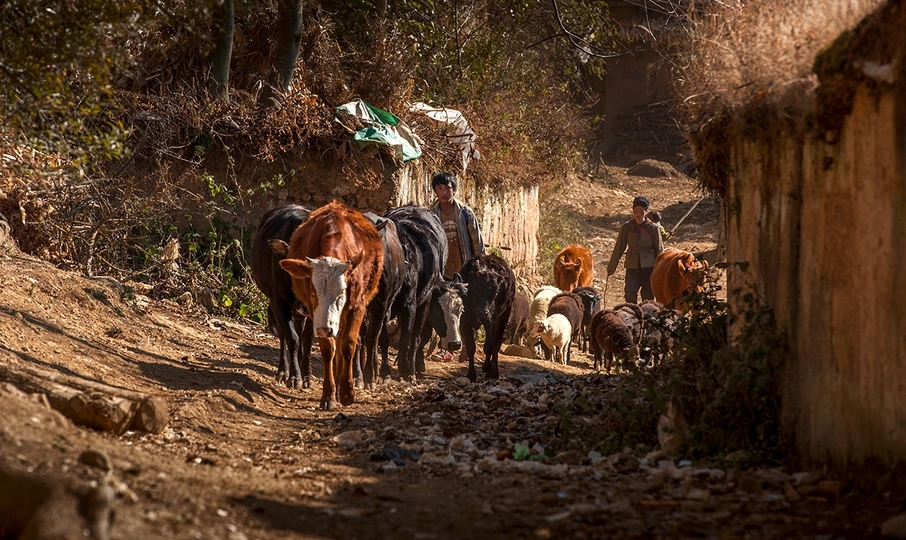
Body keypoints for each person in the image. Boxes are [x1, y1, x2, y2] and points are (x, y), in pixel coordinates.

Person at [606, 196, 664, 304]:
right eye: (636, 211)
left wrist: (660, 269)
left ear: (645, 212)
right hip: (632, 266)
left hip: (649, 267)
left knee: (648, 295)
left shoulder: (654, 228)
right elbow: (619, 248)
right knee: (630, 293)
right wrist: (611, 267)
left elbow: (659, 249)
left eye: (641, 211)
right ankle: (632, 313)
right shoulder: (626, 227)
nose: (638, 214)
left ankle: (647, 314)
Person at [429, 172, 486, 280]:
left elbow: (477, 241)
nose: (444, 192)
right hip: (443, 271)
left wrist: (482, 265)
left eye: (448, 188)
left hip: (464, 268)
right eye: (440, 188)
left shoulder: (465, 213)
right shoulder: (431, 214)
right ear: (435, 191)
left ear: (454, 190)